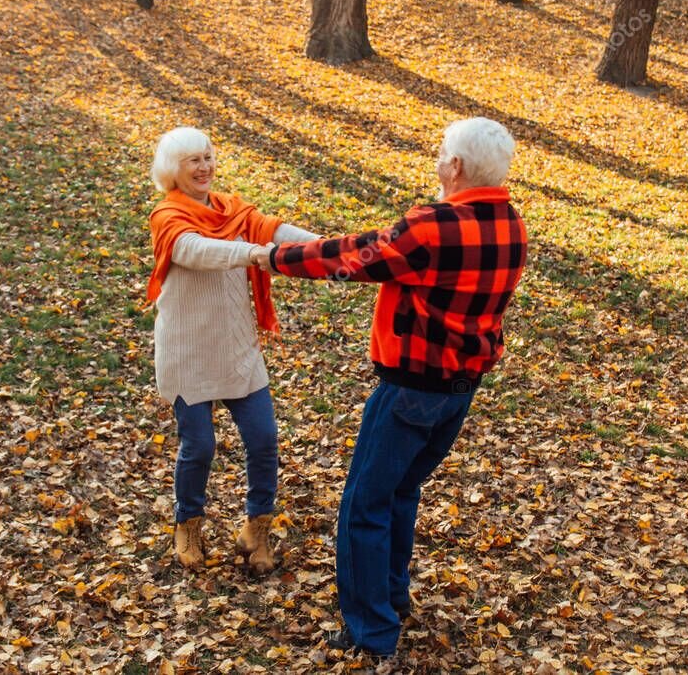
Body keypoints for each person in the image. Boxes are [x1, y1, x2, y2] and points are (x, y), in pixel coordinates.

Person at [255, 117, 527, 656]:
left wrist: (273, 257)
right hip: (458, 391)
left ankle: (371, 633)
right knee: (401, 491)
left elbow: (357, 259)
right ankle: (392, 598)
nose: (437, 160)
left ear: (456, 166)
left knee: (363, 507)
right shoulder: (510, 223)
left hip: (410, 390)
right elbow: (385, 254)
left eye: (442, 152)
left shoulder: (434, 225)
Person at [147, 127, 317, 573]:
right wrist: (256, 253)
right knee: (199, 447)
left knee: (263, 440)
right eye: (192, 161)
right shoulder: (167, 216)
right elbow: (197, 251)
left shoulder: (231, 211)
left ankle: (256, 530)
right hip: (189, 353)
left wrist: (325, 246)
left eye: (207, 157)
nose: (204, 167)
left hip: (237, 349)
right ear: (173, 170)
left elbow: (276, 230)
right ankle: (188, 524)